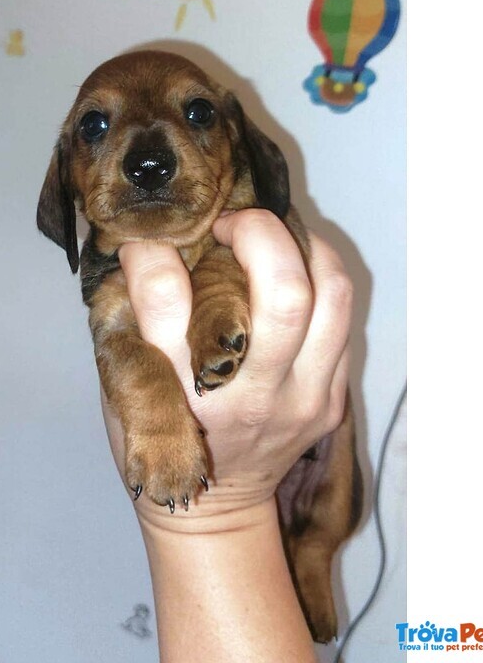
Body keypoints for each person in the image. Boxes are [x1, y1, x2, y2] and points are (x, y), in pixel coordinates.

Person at [101, 208, 353, 663]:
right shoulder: (110, 274)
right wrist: (216, 511)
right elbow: (115, 343)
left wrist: (219, 280)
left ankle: (315, 554)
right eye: (96, 129)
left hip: (315, 435)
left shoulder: (242, 219)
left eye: (199, 128)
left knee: (338, 477)